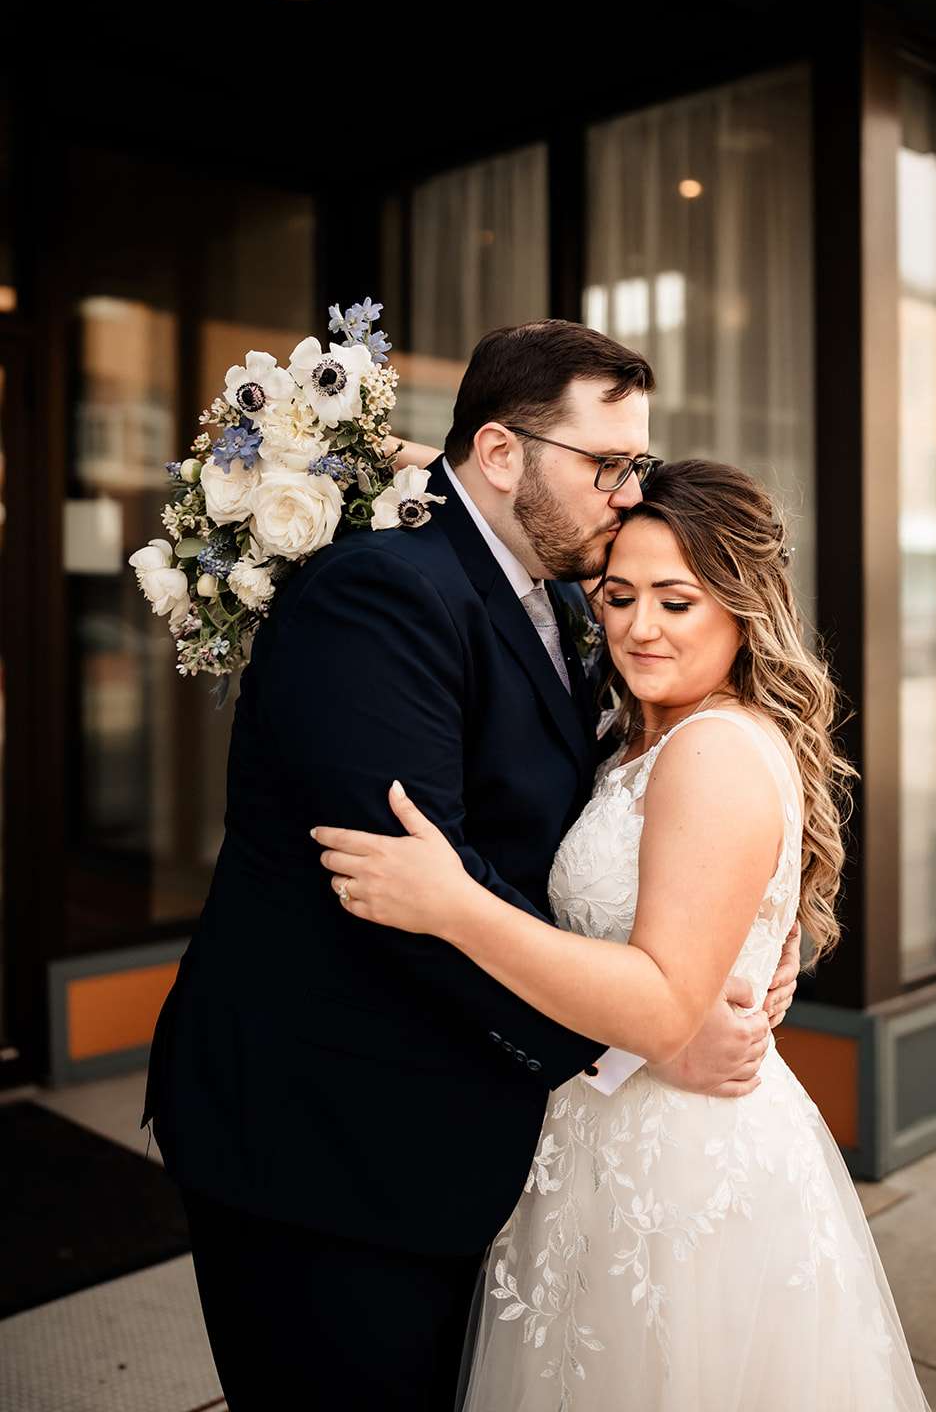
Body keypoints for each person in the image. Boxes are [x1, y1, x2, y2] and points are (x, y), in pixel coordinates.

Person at [140, 321, 800, 1412]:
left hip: (458, 1142)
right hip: (324, 1148)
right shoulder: (382, 595)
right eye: (608, 465)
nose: (629, 495)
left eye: (636, 464)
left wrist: (737, 948)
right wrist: (647, 1029)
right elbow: (403, 890)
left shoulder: (558, 592)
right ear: (502, 455)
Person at [315, 458, 932, 1411]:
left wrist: (453, 903)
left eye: (677, 601)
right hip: (603, 1135)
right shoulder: (641, 730)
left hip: (675, 1171)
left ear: (741, 608)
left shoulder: (713, 752)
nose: (640, 627)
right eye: (619, 595)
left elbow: (658, 999)